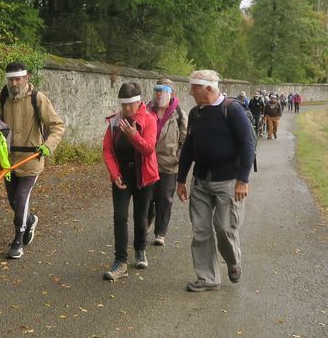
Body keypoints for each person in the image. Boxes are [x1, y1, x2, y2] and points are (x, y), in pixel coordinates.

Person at [177, 70, 255, 292]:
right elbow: (189, 148)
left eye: (194, 88)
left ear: (209, 89)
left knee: (224, 228)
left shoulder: (232, 110)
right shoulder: (195, 114)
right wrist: (181, 179)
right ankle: (208, 278)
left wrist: (243, 179)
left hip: (229, 181)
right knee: (200, 230)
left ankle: (233, 262)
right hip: (201, 181)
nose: (191, 93)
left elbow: (247, 145)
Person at [0, 62, 65, 259]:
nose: (14, 83)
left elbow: (57, 126)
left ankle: (18, 240)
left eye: (18, 78)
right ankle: (31, 219)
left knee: (22, 199)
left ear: (26, 78)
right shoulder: (1, 98)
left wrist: (47, 146)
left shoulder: (37, 99)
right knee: (13, 201)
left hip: (31, 160)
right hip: (8, 161)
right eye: (11, 79)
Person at [102, 83, 159, 280]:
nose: (126, 109)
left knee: (141, 217)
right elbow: (107, 149)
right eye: (123, 105)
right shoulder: (115, 122)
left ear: (138, 102)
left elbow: (148, 149)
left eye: (130, 105)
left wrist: (133, 135)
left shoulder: (150, 120)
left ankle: (140, 249)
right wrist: (114, 173)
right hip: (123, 176)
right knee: (120, 217)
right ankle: (120, 262)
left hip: (144, 176)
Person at [146, 79, 186, 247]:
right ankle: (147, 220)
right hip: (148, 163)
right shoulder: (146, 110)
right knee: (147, 198)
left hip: (169, 164)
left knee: (165, 198)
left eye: (163, 90)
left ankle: (160, 232)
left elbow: (184, 140)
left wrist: (177, 157)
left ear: (171, 93)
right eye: (157, 90)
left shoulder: (179, 114)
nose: (159, 93)